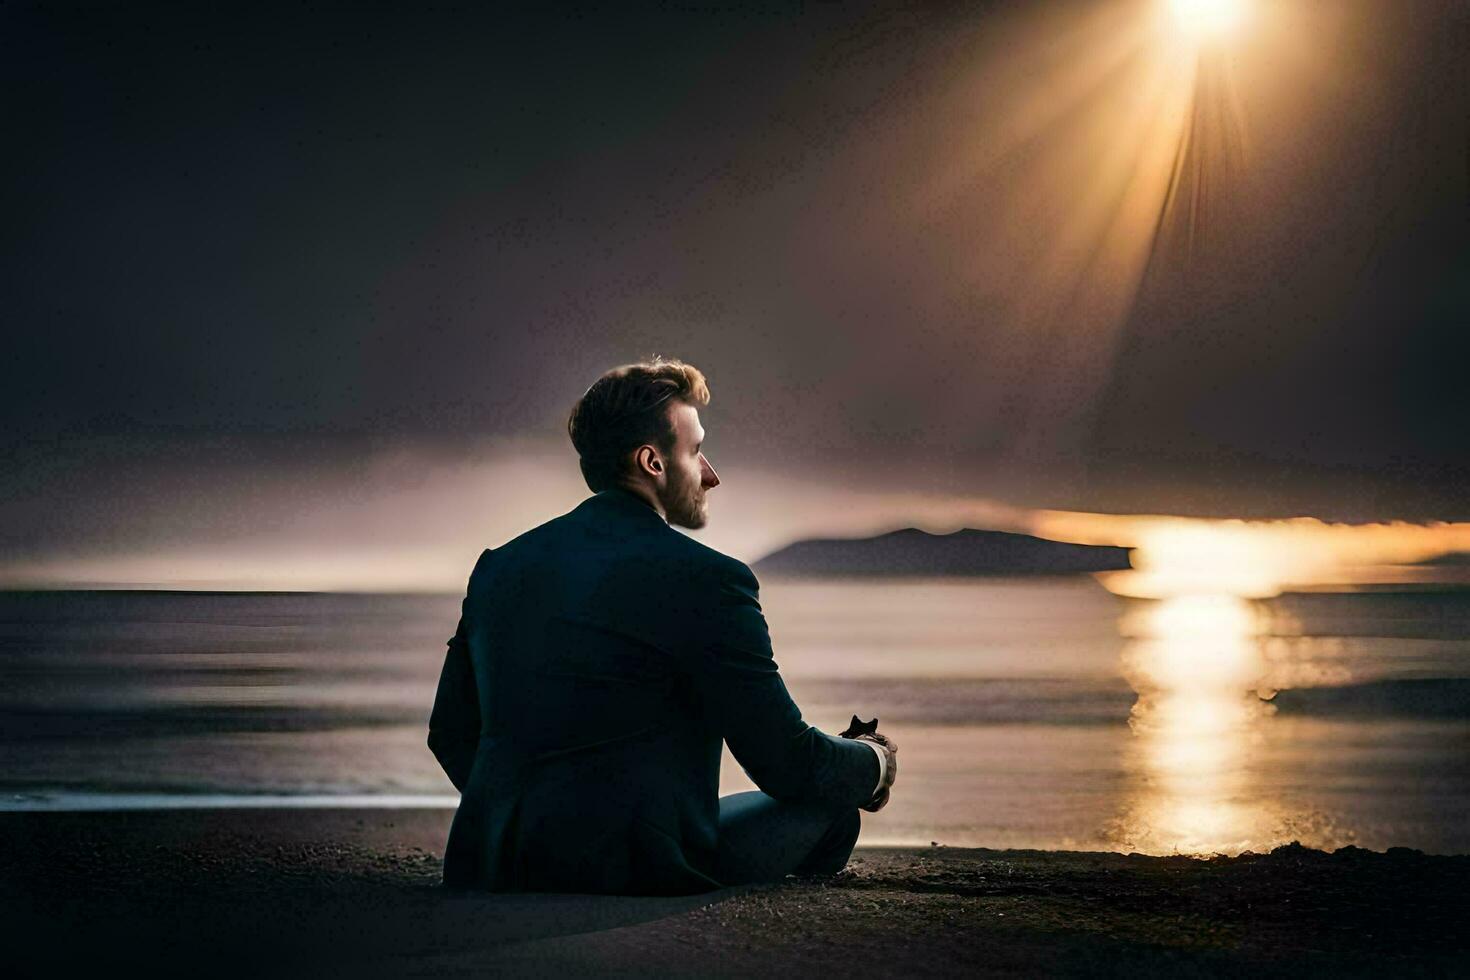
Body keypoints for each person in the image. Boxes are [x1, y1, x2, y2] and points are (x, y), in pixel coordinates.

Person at [427, 356, 898, 895]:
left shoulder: (498, 567)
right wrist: (874, 762)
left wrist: (538, 822)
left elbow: (451, 733)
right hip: (633, 870)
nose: (711, 474)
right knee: (835, 808)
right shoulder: (711, 580)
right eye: (696, 451)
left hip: (494, 862)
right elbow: (787, 764)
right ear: (652, 461)